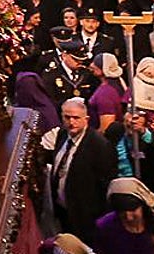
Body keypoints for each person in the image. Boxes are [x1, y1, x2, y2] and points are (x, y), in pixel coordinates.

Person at [48, 97, 116, 244]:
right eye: (67, 117)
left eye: (76, 118)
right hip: (63, 210)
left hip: (86, 216)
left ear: (86, 119)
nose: (71, 122)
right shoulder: (62, 134)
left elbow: (105, 185)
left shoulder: (99, 146)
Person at [91, 177, 154, 253]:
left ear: (143, 206)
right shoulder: (104, 227)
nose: (128, 217)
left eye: (132, 210)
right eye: (122, 212)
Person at [88, 53, 128, 130]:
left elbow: (106, 128)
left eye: (96, 63)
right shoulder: (118, 83)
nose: (91, 65)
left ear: (103, 69)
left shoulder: (105, 93)